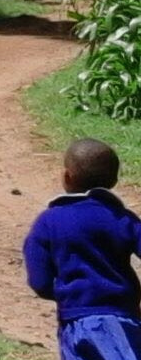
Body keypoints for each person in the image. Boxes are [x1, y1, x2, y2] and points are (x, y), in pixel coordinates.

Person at [24, 138, 141, 359]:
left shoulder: (49, 221)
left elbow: (39, 280)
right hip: (125, 318)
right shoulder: (122, 218)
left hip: (76, 320)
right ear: (115, 180)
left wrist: (67, 293)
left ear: (67, 176)